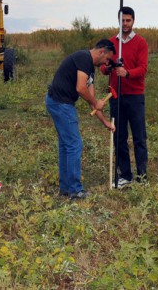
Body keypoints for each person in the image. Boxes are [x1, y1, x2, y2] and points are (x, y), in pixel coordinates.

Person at [46, 39, 116, 199]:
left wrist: (105, 122)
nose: (106, 63)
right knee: (74, 145)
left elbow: (93, 101)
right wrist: (94, 102)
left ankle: (66, 188)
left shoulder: (89, 68)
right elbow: (81, 88)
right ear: (101, 52)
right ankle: (75, 190)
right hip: (60, 103)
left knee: (66, 145)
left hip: (58, 102)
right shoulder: (84, 58)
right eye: (107, 59)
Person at [100, 6, 149, 188]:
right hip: (116, 96)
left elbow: (143, 69)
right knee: (119, 137)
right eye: (123, 20)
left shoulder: (141, 43)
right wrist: (110, 68)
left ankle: (142, 177)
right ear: (118, 21)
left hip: (135, 96)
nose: (125, 24)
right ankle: (125, 176)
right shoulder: (112, 42)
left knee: (139, 137)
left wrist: (127, 73)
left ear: (133, 21)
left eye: (128, 20)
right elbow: (103, 67)